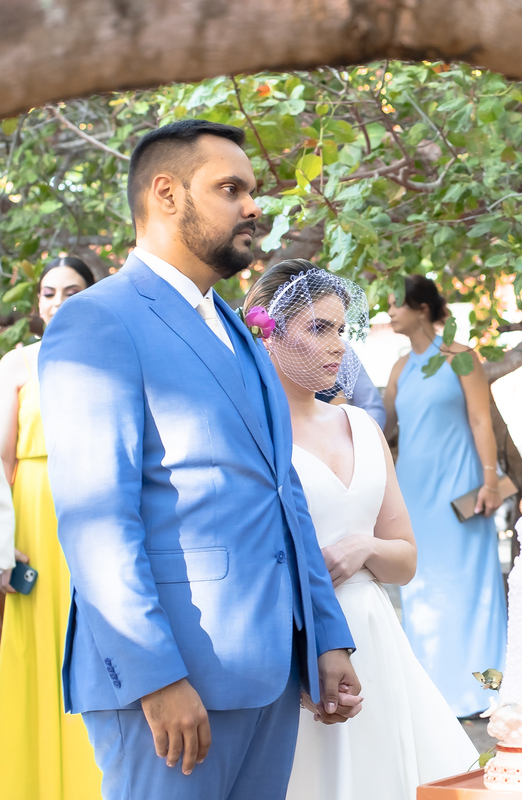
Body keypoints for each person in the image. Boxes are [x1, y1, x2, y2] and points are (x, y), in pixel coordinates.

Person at [38, 119, 361, 800]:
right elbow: (99, 520)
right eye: (231, 189)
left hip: (270, 669)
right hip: (174, 678)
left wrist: (326, 637)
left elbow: (283, 494)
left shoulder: (238, 331)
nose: (254, 207)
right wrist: (155, 675)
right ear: (166, 194)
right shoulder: (98, 320)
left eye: (253, 190)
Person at [243, 261, 478, 800]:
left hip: (376, 639)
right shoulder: (252, 437)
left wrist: (366, 546)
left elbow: (407, 559)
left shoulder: (363, 427)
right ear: (269, 332)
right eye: (319, 329)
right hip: (294, 646)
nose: (338, 347)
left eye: (342, 331)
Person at [0, 256, 103, 799]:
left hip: (95, 521)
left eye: (72, 290)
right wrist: (3, 544)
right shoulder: (16, 365)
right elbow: (1, 460)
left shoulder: (111, 358)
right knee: (36, 657)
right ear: (38, 305)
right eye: (48, 293)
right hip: (33, 528)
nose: (59, 301)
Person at [383, 276, 506, 718]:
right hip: (413, 493)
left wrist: (490, 482)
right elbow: (386, 427)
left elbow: (480, 421)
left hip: (462, 490)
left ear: (421, 309)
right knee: (422, 589)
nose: (390, 312)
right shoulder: (399, 368)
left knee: (475, 588)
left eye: (397, 305)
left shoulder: (461, 357)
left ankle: (488, 690)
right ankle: (434, 694)